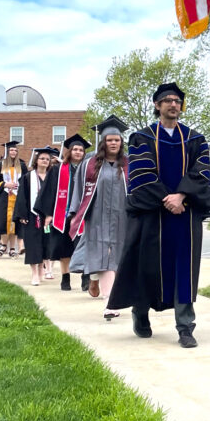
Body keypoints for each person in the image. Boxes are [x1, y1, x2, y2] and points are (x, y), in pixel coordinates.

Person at [109, 83, 210, 347]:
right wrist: (166, 199)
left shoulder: (195, 139)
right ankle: (141, 313)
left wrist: (181, 196)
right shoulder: (141, 138)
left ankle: (185, 327)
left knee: (184, 269)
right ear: (157, 106)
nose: (173, 104)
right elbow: (141, 176)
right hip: (151, 215)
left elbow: (201, 173)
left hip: (185, 214)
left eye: (177, 100)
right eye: (167, 100)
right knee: (146, 265)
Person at [68, 115, 129, 316]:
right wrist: (74, 213)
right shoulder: (90, 164)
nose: (113, 143)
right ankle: (109, 301)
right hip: (97, 217)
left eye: (117, 140)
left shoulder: (128, 165)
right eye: (110, 140)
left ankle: (96, 281)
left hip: (121, 217)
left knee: (115, 256)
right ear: (103, 142)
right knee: (103, 254)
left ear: (121, 142)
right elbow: (78, 189)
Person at [36, 134, 92, 291]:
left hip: (82, 216)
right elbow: (48, 193)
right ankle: (65, 277)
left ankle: (85, 278)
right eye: (75, 149)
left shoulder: (89, 170)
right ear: (70, 151)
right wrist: (48, 214)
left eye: (81, 150)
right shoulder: (58, 170)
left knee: (83, 247)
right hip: (62, 215)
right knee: (63, 248)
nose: (78, 152)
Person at [15, 147, 58, 285]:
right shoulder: (28, 177)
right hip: (32, 215)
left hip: (48, 217)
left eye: (47, 159)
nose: (45, 161)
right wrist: (22, 214)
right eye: (42, 159)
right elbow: (22, 197)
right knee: (33, 245)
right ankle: (34, 274)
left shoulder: (53, 177)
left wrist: (51, 214)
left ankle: (42, 269)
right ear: (36, 161)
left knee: (46, 244)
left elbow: (56, 197)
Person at [0, 141, 27, 257]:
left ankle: (12, 248)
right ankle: (3, 245)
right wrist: (5, 184)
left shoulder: (22, 166)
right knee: (3, 221)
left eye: (15, 150)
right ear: (6, 151)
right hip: (3, 197)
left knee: (14, 223)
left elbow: (26, 181)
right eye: (11, 150)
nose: (13, 152)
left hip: (17, 196)